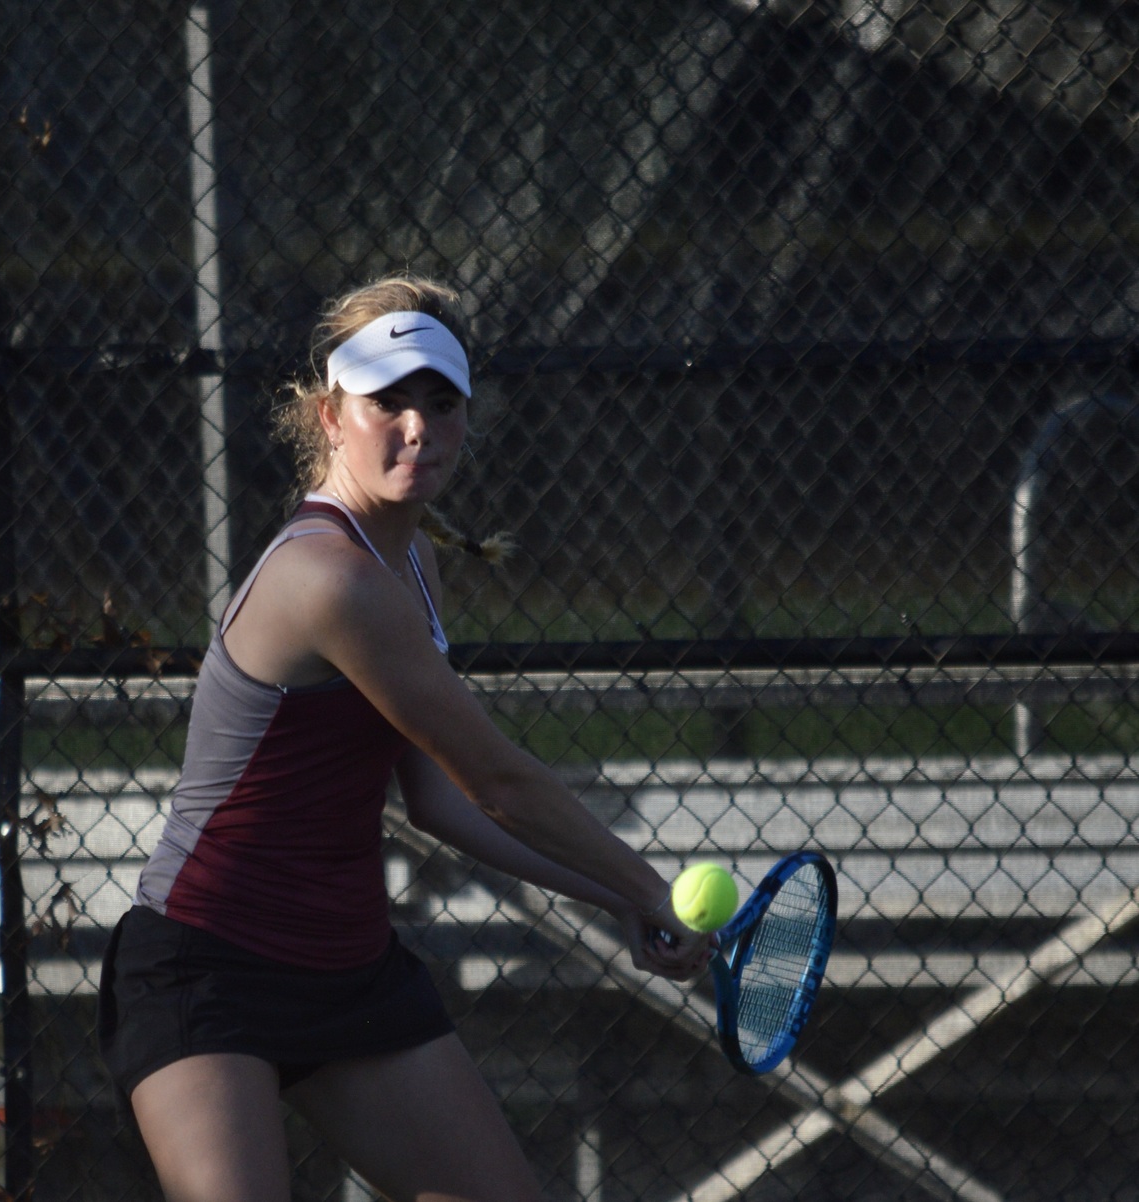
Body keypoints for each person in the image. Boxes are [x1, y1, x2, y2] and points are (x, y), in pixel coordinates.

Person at [99, 275, 712, 1202]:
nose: (416, 425)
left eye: (441, 401)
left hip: (348, 974)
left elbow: (435, 798)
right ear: (329, 414)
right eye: (388, 400)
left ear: (468, 421)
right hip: (204, 967)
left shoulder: (413, 558)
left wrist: (616, 898)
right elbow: (497, 781)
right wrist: (648, 887)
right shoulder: (327, 577)